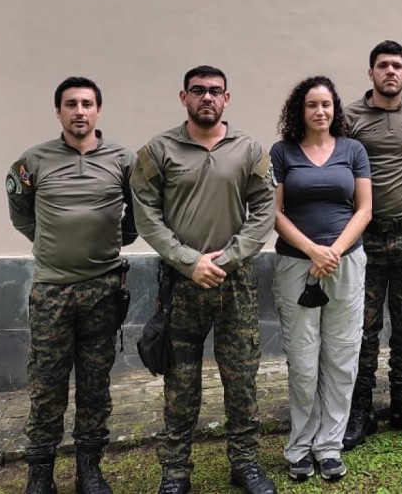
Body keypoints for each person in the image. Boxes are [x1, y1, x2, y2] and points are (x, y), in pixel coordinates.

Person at [130, 66, 278, 494]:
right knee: (180, 383)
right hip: (181, 284)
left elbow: (264, 211)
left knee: (242, 378)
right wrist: (188, 261)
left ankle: (245, 463)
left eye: (215, 91)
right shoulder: (158, 151)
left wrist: (227, 259)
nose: (207, 98)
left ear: (226, 98)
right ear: (184, 97)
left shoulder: (249, 150)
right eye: (198, 91)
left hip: (235, 283)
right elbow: (146, 215)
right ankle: (176, 471)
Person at [6, 76, 136, 494]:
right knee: (47, 385)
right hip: (52, 292)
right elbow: (20, 210)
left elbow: (140, 209)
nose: (79, 111)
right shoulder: (33, 160)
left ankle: (89, 471)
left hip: (103, 289)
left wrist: (114, 240)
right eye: (71, 104)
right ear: (58, 111)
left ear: (98, 110)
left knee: (96, 385)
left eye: (86, 103)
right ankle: (40, 474)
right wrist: (49, 241)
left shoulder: (124, 159)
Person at [271, 76, 372, 483]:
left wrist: (334, 251)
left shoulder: (353, 150)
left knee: (342, 357)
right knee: (303, 361)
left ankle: (329, 446)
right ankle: (300, 447)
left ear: (335, 109)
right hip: (297, 265)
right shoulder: (282, 152)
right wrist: (313, 250)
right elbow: (275, 213)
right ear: (300, 110)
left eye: (326, 104)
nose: (320, 111)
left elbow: (364, 209)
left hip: (345, 264)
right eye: (312, 104)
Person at [342, 41, 402, 449]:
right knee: (362, 328)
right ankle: (360, 409)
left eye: (397, 66)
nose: (390, 72)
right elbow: (335, 166)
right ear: (371, 73)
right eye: (382, 65)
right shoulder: (348, 117)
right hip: (363, 236)